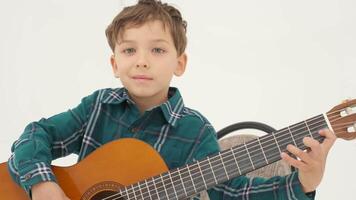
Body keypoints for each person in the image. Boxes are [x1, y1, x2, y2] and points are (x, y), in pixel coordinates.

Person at [8, 0, 336, 199]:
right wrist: (42, 186)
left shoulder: (194, 133)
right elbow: (35, 135)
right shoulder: (98, 107)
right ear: (114, 63)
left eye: (158, 49)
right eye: (129, 50)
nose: (142, 60)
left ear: (180, 63)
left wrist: (304, 183)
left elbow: (234, 195)